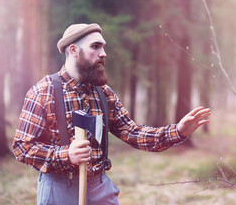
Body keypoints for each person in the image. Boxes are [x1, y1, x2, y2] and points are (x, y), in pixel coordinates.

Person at [12, 23, 211, 205]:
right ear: (73, 50)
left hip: (99, 187)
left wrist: (178, 131)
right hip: (60, 189)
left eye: (104, 47)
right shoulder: (44, 91)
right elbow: (22, 147)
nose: (104, 53)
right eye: (95, 47)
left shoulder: (103, 93)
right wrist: (66, 155)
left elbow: (133, 133)